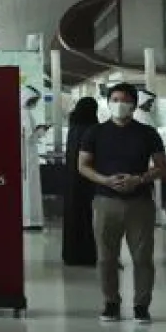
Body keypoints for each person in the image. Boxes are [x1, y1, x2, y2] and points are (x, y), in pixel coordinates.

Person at [77, 82, 166, 323]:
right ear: (108, 103)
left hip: (139, 203)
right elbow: (83, 165)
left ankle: (141, 306)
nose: (119, 104)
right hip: (105, 202)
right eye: (115, 99)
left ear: (134, 105)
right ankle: (111, 303)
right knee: (106, 258)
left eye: (125, 100)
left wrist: (139, 179)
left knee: (142, 258)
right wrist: (105, 180)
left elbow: (162, 167)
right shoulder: (94, 133)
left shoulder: (148, 133)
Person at [62, 97, 101, 266]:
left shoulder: (73, 128)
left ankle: (71, 254)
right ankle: (87, 254)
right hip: (89, 179)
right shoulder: (92, 129)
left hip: (72, 181)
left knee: (73, 217)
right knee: (88, 218)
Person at [20, 86, 47, 230]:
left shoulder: (20, 113)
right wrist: (42, 131)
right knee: (30, 188)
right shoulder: (26, 114)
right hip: (28, 156)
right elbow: (30, 136)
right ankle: (31, 220)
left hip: (25, 155)